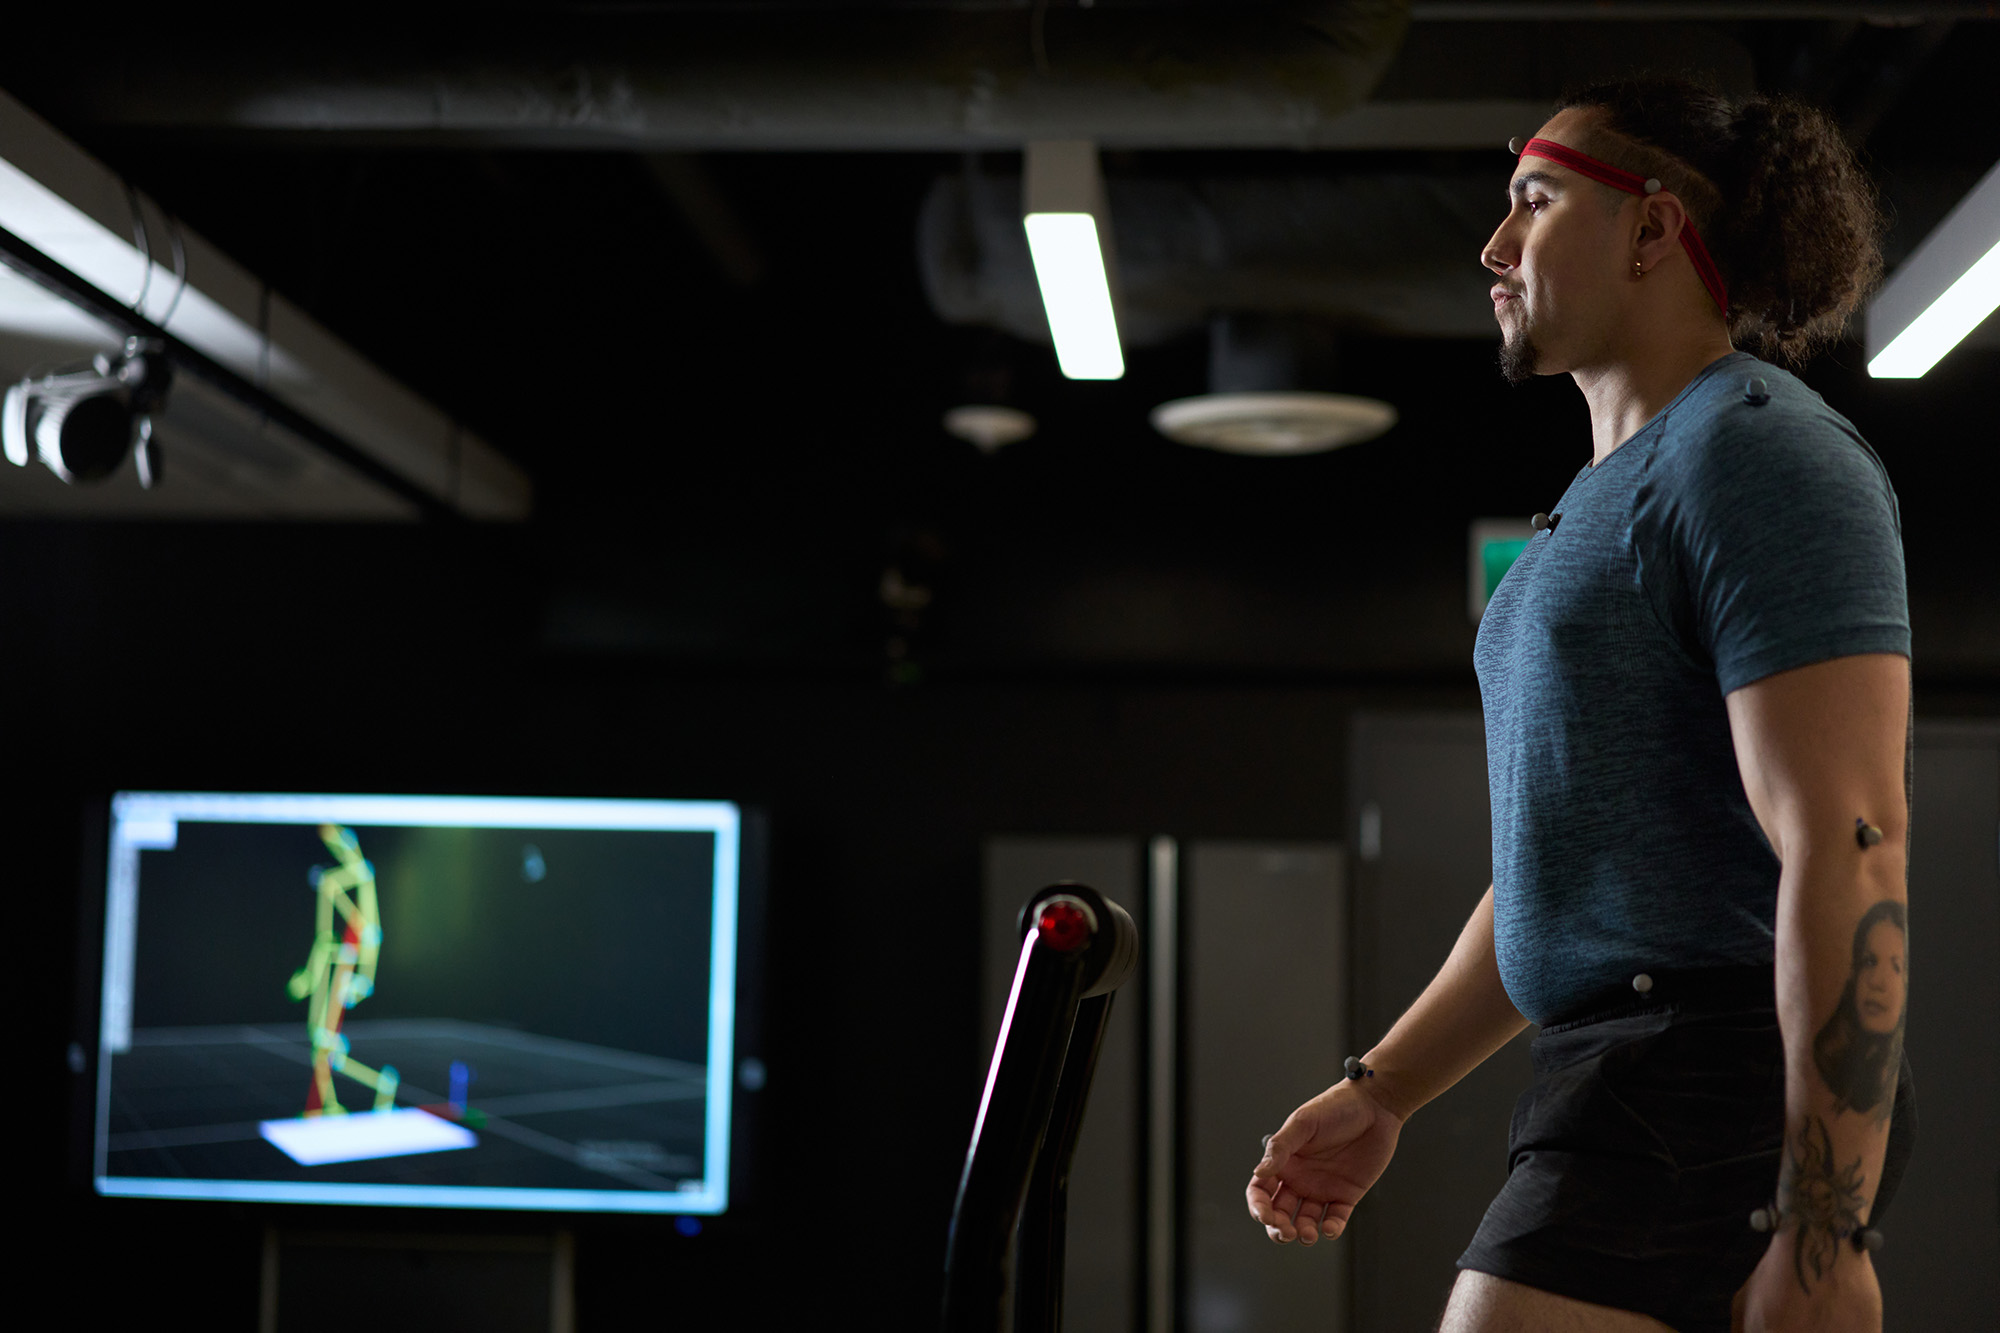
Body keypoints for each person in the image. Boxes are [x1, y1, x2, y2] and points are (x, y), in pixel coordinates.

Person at [1245, 76, 1912, 1333]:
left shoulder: (1756, 450)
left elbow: (1852, 838)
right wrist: (1382, 1088)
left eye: (1534, 202)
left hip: (1706, 1076)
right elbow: (1557, 873)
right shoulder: (1586, 511)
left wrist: (1826, 1232)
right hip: (1611, 1071)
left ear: (1652, 232)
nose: (1493, 248)